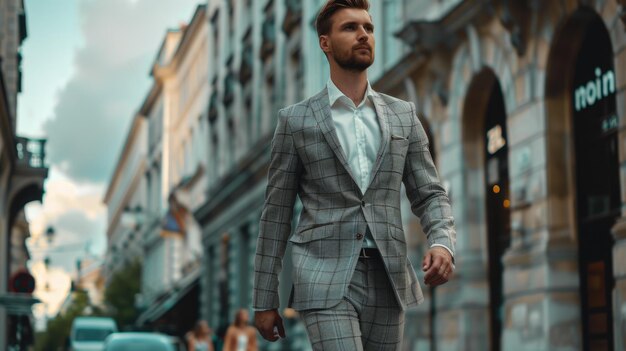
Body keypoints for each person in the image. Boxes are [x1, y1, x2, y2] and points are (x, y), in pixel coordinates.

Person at [252, 0, 456, 349]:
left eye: (368, 28)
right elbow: (276, 215)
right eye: (350, 27)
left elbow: (430, 193)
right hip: (323, 274)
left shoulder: (402, 115)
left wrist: (442, 242)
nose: (363, 35)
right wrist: (264, 297)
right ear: (325, 43)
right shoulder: (296, 121)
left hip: (388, 275)